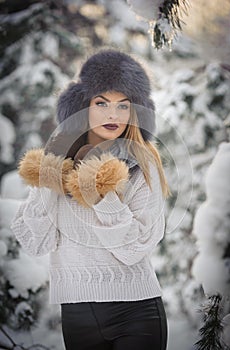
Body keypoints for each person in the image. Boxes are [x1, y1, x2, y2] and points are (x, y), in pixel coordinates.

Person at [11, 49, 170, 350]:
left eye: (124, 106)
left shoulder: (142, 163)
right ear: (83, 106)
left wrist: (100, 193)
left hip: (135, 311)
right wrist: (50, 177)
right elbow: (35, 241)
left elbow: (134, 248)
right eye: (102, 103)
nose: (113, 115)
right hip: (76, 314)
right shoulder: (57, 157)